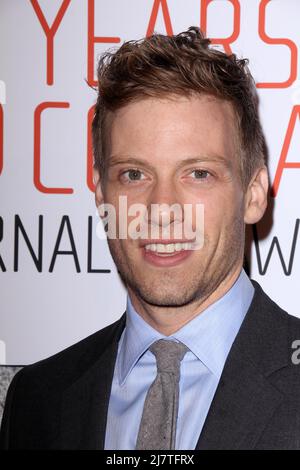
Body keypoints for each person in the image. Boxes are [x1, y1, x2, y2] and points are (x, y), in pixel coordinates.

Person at [1, 26, 300, 450]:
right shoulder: (38, 398)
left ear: (253, 196)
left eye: (198, 173)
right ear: (103, 196)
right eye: (134, 174)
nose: (162, 209)